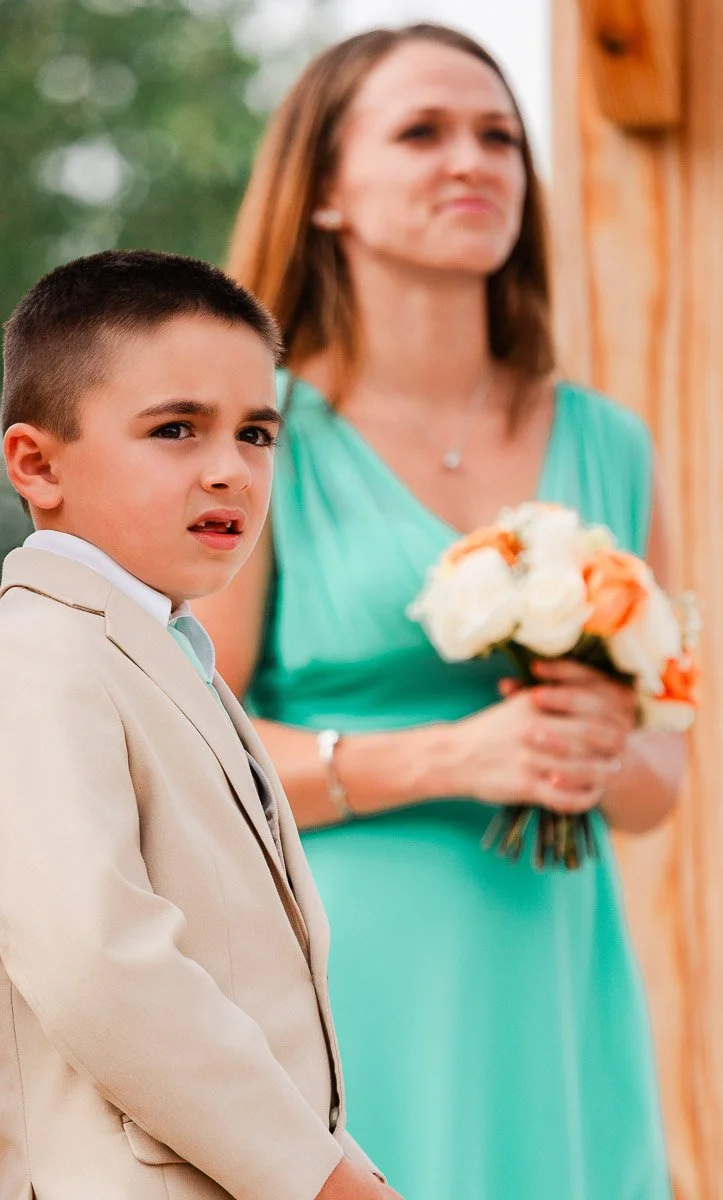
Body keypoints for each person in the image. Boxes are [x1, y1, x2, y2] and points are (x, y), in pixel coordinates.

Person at [194, 24, 686, 1200]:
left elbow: (659, 784)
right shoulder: (254, 439)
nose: (472, 161)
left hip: (555, 985)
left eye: (498, 137)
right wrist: (444, 757)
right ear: (324, 193)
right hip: (340, 982)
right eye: (421, 132)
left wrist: (594, 742)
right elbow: (186, 752)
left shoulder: (609, 443)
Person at [0, 249, 399, 1200]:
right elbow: (101, 966)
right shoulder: (40, 655)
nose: (230, 471)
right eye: (176, 429)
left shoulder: (169, 651)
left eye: (256, 434)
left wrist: (341, 1160)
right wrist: (322, 1181)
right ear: (38, 464)